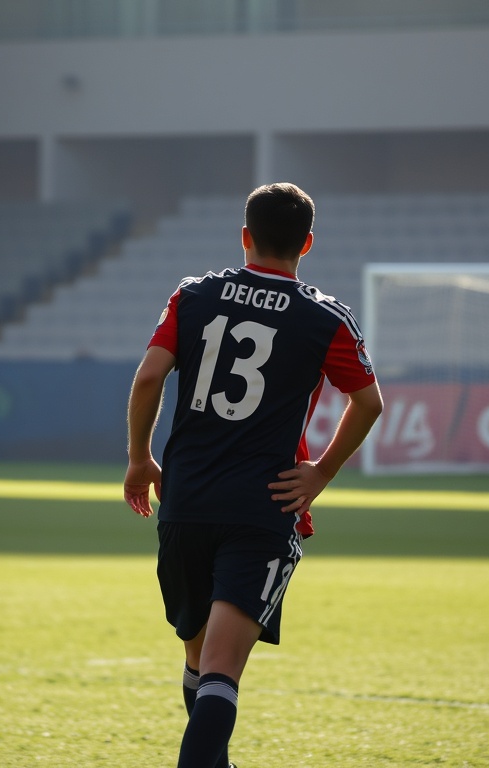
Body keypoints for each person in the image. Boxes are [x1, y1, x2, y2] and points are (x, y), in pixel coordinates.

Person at [124, 182, 383, 768]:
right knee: (218, 668)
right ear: (308, 244)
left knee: (198, 657)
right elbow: (369, 403)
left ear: (245, 236)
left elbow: (148, 379)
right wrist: (320, 472)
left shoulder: (192, 295)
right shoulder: (323, 317)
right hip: (261, 507)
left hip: (185, 500)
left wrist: (140, 459)